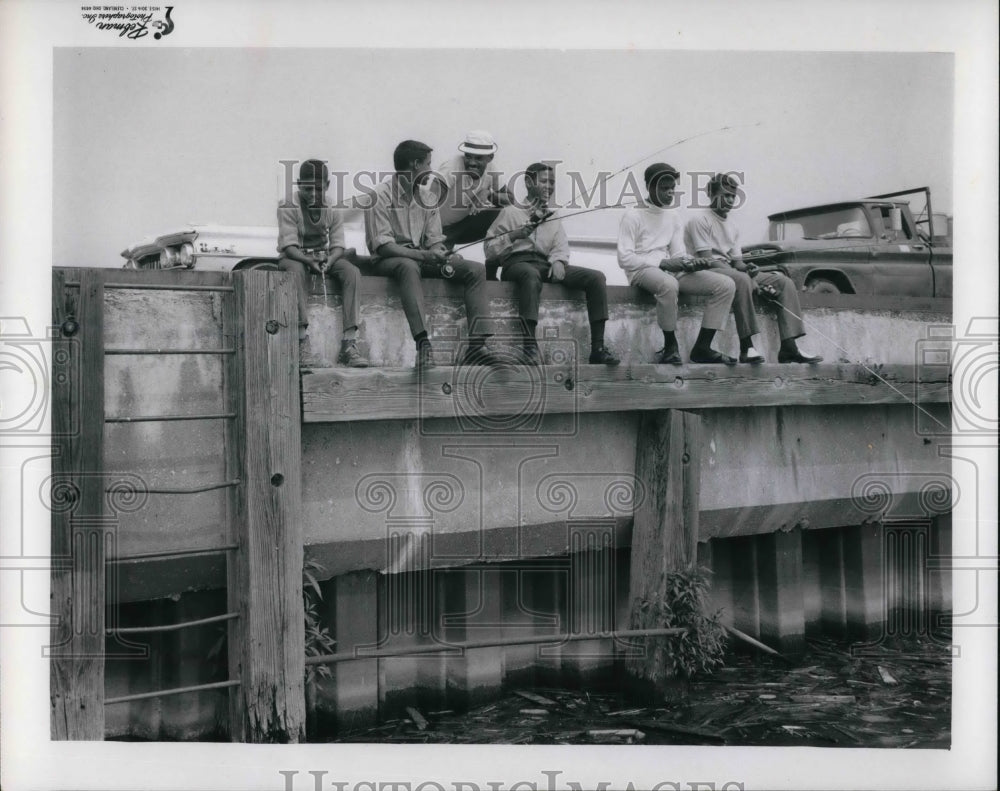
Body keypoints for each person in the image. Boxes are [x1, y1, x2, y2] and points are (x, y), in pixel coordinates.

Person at [363, 139, 499, 369]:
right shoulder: (380, 196)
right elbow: (383, 246)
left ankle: (477, 345)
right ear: (415, 165)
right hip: (389, 261)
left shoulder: (428, 198)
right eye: (427, 164)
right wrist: (425, 256)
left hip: (420, 258)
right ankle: (422, 344)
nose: (431, 170)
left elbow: (434, 240)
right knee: (408, 266)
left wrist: (441, 253)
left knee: (475, 270)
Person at [485, 162, 620, 366]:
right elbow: (489, 249)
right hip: (516, 264)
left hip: (544, 265)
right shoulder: (510, 212)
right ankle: (529, 347)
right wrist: (514, 235)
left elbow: (561, 245)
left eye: (552, 182)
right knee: (530, 275)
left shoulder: (552, 215)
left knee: (596, 277)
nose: (549, 186)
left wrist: (558, 261)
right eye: (544, 181)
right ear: (529, 183)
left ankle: (598, 349)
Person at [685, 173, 823, 364]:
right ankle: (746, 347)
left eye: (733, 196)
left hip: (730, 271)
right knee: (741, 280)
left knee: (783, 282)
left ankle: (789, 347)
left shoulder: (732, 225)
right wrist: (744, 275)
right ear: (711, 195)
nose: (730, 200)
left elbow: (737, 263)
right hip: (708, 272)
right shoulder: (699, 220)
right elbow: (707, 260)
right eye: (724, 195)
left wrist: (749, 268)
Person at [616, 163, 738, 365]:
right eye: (664, 188)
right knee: (669, 284)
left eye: (672, 188)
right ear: (649, 187)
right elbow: (625, 258)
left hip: (669, 270)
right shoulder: (633, 215)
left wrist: (690, 262)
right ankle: (670, 347)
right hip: (641, 270)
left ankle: (703, 348)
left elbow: (678, 253)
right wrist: (663, 262)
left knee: (726, 285)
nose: (670, 192)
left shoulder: (673, 216)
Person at [277, 158, 368, 369]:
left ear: (326, 186)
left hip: (321, 257)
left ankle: (349, 343)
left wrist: (329, 260)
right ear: (299, 185)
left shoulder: (332, 209)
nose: (313, 194)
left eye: (318, 189)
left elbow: (338, 245)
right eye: (307, 188)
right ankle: (301, 341)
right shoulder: (287, 206)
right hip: (295, 258)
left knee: (352, 271)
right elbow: (289, 247)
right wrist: (307, 260)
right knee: (296, 271)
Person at [429, 130, 511, 249]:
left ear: (490, 158)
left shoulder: (492, 169)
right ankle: (443, 249)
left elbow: (510, 200)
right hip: (437, 230)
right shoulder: (453, 165)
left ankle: (496, 255)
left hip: (461, 228)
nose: (472, 163)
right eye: (468, 156)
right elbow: (429, 201)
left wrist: (488, 193)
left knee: (506, 213)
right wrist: (432, 239)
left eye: (478, 158)